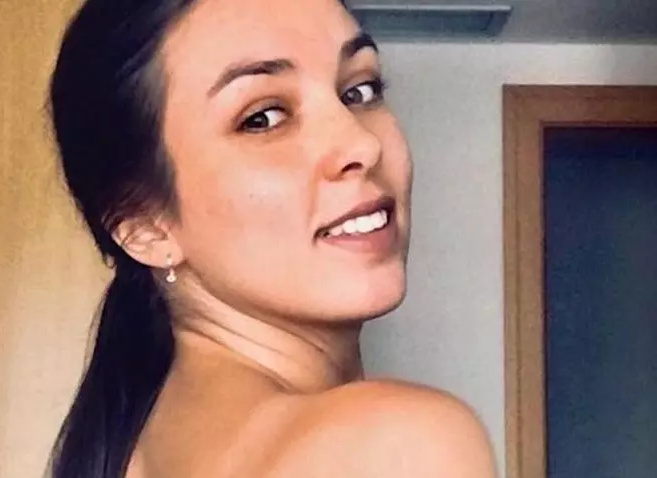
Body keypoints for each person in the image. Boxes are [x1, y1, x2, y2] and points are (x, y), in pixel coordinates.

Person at [47, 0, 497, 477]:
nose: (362, 145)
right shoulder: (399, 444)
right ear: (144, 226)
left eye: (360, 90)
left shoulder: (136, 454)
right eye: (263, 117)